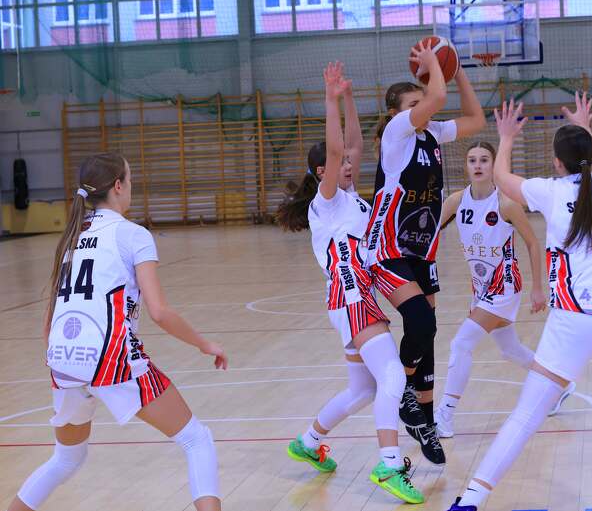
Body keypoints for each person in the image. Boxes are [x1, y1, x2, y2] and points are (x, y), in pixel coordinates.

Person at [447, 94, 592, 511]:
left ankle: (471, 500)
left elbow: (501, 178)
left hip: (576, 315)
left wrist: (506, 136)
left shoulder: (549, 191)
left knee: (526, 415)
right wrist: (585, 125)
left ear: (556, 163)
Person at [7, 152, 228, 511]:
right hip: (108, 357)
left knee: (66, 459)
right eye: (130, 180)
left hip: (62, 358)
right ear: (118, 186)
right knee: (196, 439)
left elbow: (50, 317)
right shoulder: (132, 234)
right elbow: (160, 312)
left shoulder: (73, 236)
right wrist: (205, 344)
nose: (132, 187)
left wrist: (66, 366)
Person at [277, 62, 423, 504]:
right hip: (351, 293)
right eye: (338, 163)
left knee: (363, 390)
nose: (348, 164)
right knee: (392, 376)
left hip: (351, 296)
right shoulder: (326, 203)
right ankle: (389, 464)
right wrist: (329, 99)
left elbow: (354, 144)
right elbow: (341, 146)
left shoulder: (351, 199)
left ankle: (307, 441)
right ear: (322, 170)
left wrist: (350, 97)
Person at [366, 39, 486, 464]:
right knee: (419, 319)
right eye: (414, 104)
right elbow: (436, 97)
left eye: (422, 103)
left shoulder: (432, 132)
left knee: (428, 331)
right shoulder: (397, 133)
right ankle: (404, 394)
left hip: (422, 248)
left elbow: (476, 118)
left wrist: (458, 71)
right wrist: (436, 63)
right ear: (397, 112)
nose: (425, 108)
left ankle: (425, 422)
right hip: (387, 246)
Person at [435, 141, 574, 438]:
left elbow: (533, 243)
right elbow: (429, 230)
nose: (478, 165)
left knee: (461, 344)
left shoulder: (506, 203)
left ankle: (444, 415)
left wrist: (538, 289)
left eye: (484, 159)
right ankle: (560, 386)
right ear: (465, 165)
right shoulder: (457, 201)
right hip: (481, 287)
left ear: (493, 164)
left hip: (504, 284)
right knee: (510, 349)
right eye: (472, 160)